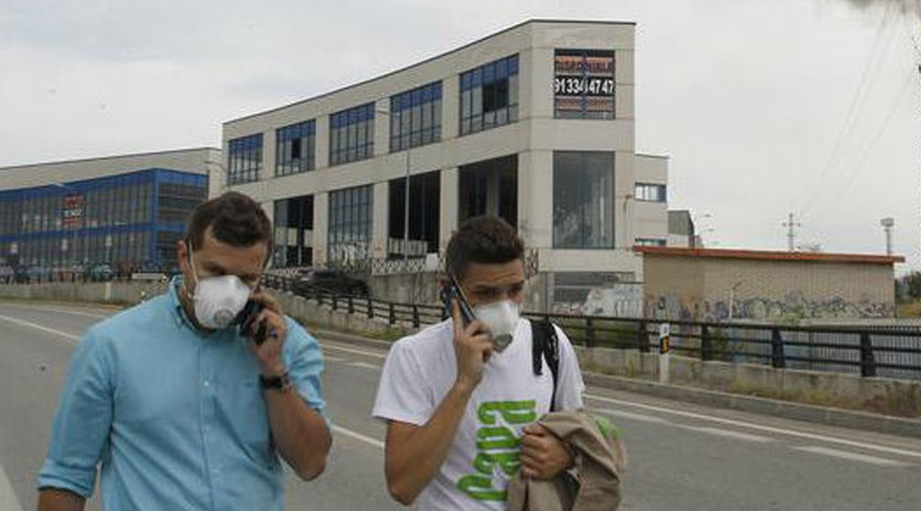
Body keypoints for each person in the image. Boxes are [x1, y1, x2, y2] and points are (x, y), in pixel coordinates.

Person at [37, 191, 332, 510]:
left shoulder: (288, 342)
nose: (230, 291)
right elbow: (66, 478)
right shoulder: (110, 345)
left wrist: (273, 368)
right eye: (216, 272)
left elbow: (310, 463)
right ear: (184, 257)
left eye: (246, 279)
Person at [374, 215, 586, 509]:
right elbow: (402, 486)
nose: (505, 305)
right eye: (485, 294)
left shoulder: (550, 344)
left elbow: (582, 437)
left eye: (515, 290)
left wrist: (565, 455)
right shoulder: (414, 355)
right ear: (450, 291)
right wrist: (463, 384)